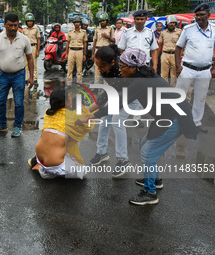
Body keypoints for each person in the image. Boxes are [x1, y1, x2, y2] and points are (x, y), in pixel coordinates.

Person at [78, 48, 197, 205]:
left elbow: (116, 104)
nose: (119, 70)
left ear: (133, 67)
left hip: (175, 118)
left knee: (148, 153)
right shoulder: (140, 77)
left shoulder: (139, 82)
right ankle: (155, 180)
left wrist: (90, 117)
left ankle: (150, 193)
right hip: (167, 116)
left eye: (122, 67)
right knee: (144, 146)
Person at [87, 45, 138, 177]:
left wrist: (90, 114)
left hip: (131, 96)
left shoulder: (122, 70)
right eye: (96, 65)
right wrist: (86, 111)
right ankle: (101, 152)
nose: (99, 68)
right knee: (105, 120)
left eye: (101, 65)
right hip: (117, 93)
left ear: (113, 62)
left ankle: (123, 159)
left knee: (117, 121)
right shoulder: (106, 69)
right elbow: (107, 93)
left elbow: (111, 98)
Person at [28, 86, 93, 179]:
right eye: (70, 97)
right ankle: (45, 170)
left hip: (40, 155)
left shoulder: (48, 113)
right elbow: (89, 123)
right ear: (66, 102)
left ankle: (41, 164)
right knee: (82, 171)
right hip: (55, 164)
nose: (71, 98)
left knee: (60, 138)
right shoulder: (73, 117)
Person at [0, 13, 34, 137]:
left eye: (15, 25)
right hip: (3, 75)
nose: (13, 28)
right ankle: (2, 124)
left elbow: (30, 58)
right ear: (5, 25)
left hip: (19, 75)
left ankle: (17, 126)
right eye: (10, 25)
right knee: (0, 101)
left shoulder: (24, 39)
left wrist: (31, 77)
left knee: (19, 102)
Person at [175, 3, 215, 134]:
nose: (199, 17)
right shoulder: (188, 29)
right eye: (197, 15)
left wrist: (214, 69)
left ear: (208, 15)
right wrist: (178, 66)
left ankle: (196, 123)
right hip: (187, 69)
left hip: (205, 70)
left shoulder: (214, 29)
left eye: (202, 15)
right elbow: (178, 47)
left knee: (200, 98)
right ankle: (176, 122)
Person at [92, 13, 115, 83]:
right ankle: (96, 85)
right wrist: (93, 54)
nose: (102, 22)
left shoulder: (110, 29)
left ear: (106, 21)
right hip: (98, 49)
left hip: (106, 50)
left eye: (104, 20)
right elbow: (95, 41)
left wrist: (107, 37)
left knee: (106, 68)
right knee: (97, 69)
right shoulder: (97, 30)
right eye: (101, 21)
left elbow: (114, 40)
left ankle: (106, 86)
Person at [158, 15, 181, 86]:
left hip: (175, 55)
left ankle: (172, 92)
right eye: (171, 23)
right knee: (163, 75)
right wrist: (158, 56)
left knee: (174, 75)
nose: (172, 24)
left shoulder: (179, 32)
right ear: (167, 23)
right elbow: (160, 44)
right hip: (165, 54)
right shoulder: (163, 32)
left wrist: (181, 55)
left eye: (174, 23)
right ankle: (164, 91)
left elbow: (182, 45)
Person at [22, 13, 41, 101]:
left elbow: (38, 40)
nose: (29, 23)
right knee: (25, 64)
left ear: (33, 22)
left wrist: (37, 50)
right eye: (28, 21)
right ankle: (26, 78)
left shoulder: (36, 29)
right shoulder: (24, 30)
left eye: (31, 21)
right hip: (25, 47)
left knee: (34, 64)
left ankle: (34, 78)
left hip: (33, 47)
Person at [66, 16, 87, 84]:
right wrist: (66, 53)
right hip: (71, 51)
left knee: (79, 70)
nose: (77, 24)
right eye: (75, 22)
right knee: (70, 69)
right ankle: (69, 84)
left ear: (80, 23)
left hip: (80, 51)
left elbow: (85, 43)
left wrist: (84, 54)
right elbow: (68, 43)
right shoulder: (70, 32)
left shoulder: (83, 32)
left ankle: (79, 84)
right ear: (74, 23)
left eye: (78, 22)